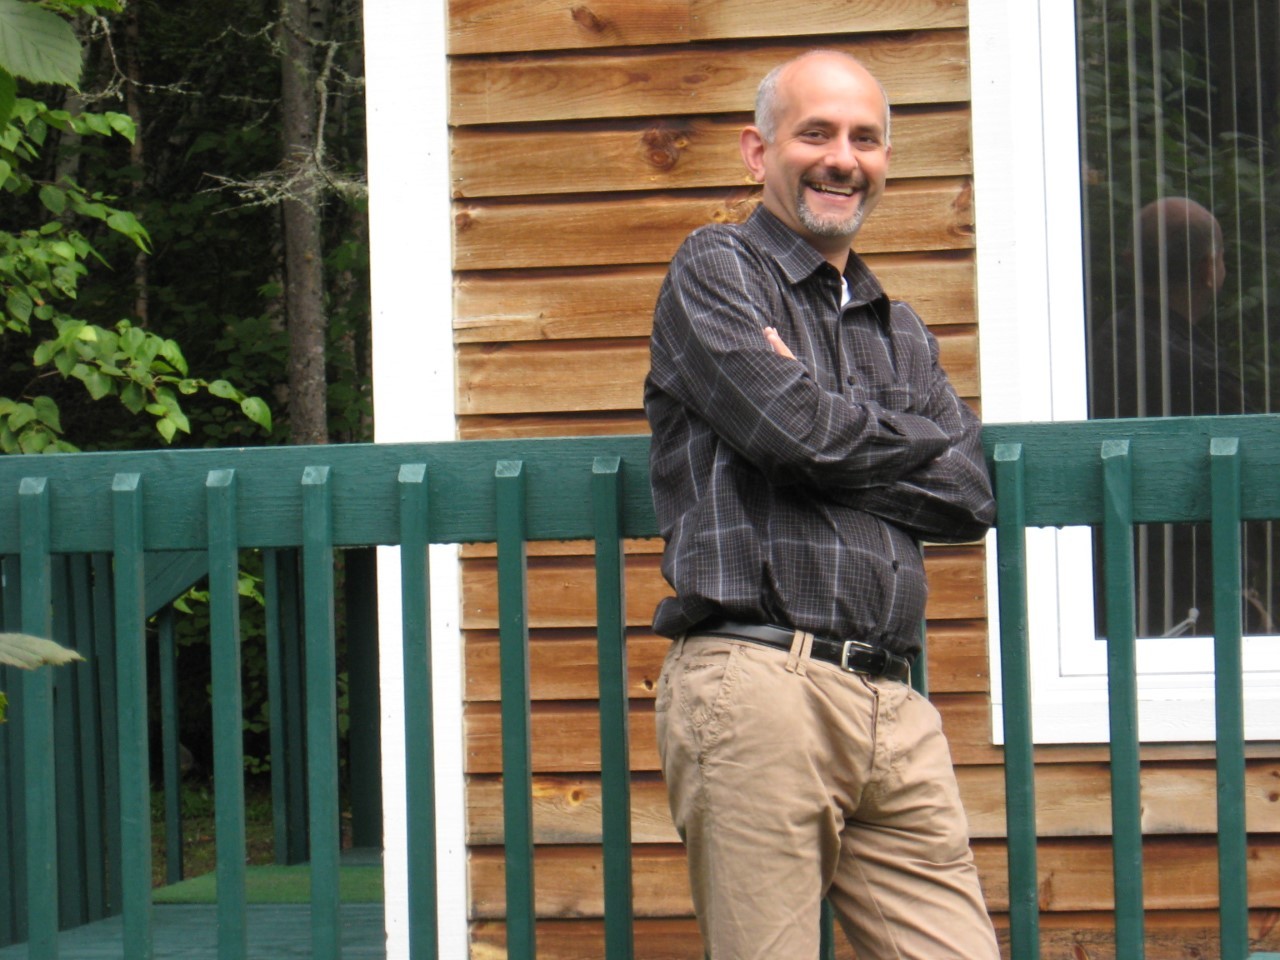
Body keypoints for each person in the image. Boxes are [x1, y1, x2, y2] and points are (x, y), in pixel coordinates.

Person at [643, 50, 1001, 959]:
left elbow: (967, 494)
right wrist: (894, 430)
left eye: (865, 138)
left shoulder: (898, 324)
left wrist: (822, 413)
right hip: (762, 681)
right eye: (816, 133)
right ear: (757, 153)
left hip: (892, 699)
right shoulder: (716, 266)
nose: (843, 157)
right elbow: (794, 434)